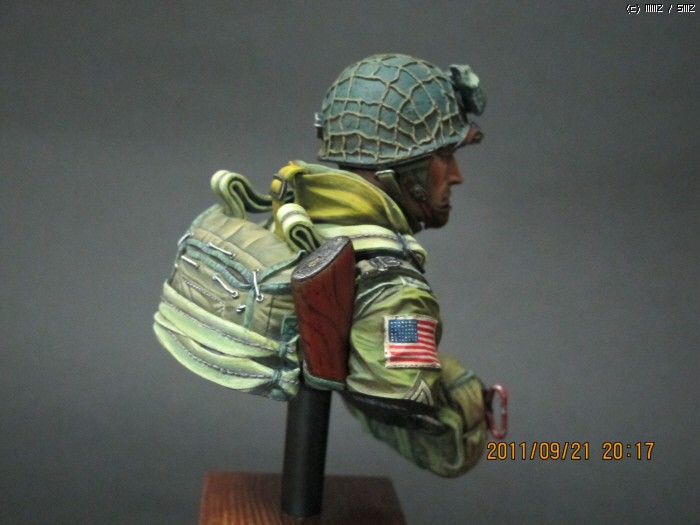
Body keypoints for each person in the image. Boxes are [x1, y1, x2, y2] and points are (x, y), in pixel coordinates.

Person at [268, 53, 493, 477]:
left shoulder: (297, 212)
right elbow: (401, 395)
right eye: (444, 155)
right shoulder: (396, 294)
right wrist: (467, 407)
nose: (456, 175)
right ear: (403, 172)